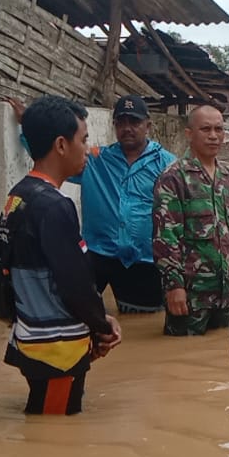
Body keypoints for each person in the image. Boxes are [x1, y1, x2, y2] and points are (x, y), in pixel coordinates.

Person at [0, 95, 122, 415]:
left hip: (32, 337)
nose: (88, 150)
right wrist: (102, 325)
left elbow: (2, 269)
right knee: (53, 436)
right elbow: (75, 280)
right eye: (84, 140)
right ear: (62, 145)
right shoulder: (54, 206)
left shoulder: (19, 196)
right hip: (57, 349)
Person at [152, 105, 229, 336]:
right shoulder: (173, 177)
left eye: (219, 129)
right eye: (205, 129)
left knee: (221, 354)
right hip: (190, 294)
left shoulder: (227, 177)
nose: (214, 135)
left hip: (224, 293)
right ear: (189, 134)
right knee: (182, 360)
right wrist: (174, 285)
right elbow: (165, 237)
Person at [71, 95, 177, 312]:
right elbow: (53, 158)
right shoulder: (95, 160)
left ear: (148, 125)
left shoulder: (167, 164)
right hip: (99, 254)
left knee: (142, 323)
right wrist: (30, 124)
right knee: (75, 312)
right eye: (121, 122)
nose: (127, 128)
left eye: (134, 122)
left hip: (145, 259)